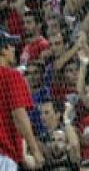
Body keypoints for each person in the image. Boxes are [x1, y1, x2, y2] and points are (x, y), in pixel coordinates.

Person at [0, 30, 44, 170]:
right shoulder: (11, 76)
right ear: (3, 50)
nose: (14, 49)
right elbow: (19, 117)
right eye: (10, 45)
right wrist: (35, 151)